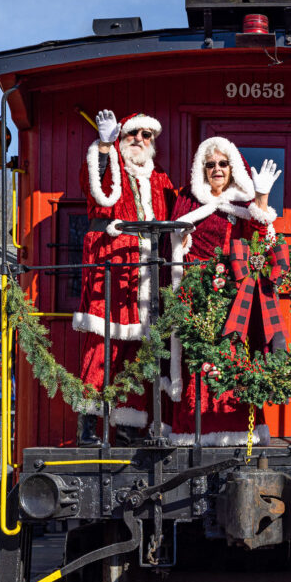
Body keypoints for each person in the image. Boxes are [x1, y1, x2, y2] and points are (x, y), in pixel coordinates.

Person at [166, 136, 282, 446]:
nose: (217, 169)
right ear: (201, 170)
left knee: (232, 358)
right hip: (196, 296)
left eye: (222, 164)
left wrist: (261, 197)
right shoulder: (188, 203)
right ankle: (193, 431)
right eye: (210, 165)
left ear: (232, 168)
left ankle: (236, 429)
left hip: (233, 297)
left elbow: (261, 241)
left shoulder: (244, 203)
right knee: (197, 361)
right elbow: (176, 246)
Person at [75, 109, 176, 444]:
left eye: (147, 135)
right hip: (113, 266)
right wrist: (104, 146)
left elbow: (178, 210)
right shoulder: (111, 165)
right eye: (134, 133)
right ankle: (90, 422)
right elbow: (95, 189)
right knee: (103, 344)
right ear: (122, 136)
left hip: (149, 270)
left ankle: (129, 423)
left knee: (139, 351)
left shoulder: (159, 176)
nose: (140, 140)